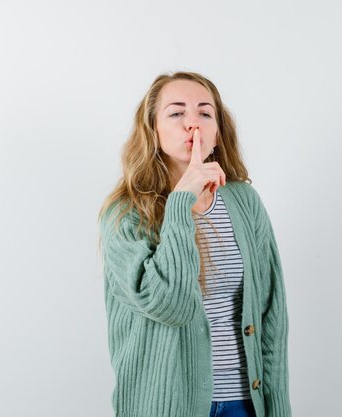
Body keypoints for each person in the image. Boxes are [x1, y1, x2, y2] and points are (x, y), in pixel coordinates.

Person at [97, 71, 292, 417]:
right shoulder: (124, 214)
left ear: (218, 131)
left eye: (205, 112)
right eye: (176, 113)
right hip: (165, 406)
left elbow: (271, 316)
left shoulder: (244, 202)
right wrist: (180, 203)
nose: (193, 124)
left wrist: (277, 410)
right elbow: (169, 304)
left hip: (245, 405)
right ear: (152, 130)